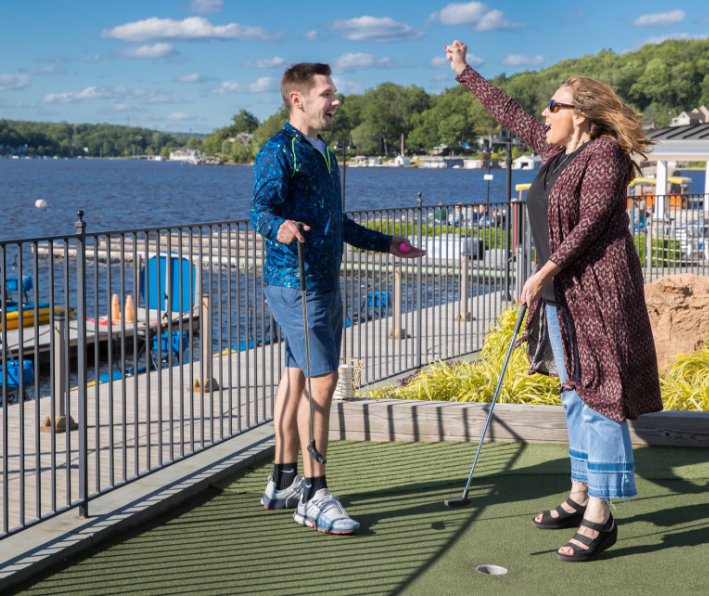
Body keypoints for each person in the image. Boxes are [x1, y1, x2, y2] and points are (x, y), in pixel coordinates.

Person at [446, 41, 663, 561]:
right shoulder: (555, 152)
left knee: (600, 398)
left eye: (554, 105)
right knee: (573, 394)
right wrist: (464, 72)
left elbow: (590, 224)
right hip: (560, 293)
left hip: (598, 292)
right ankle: (580, 492)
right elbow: (511, 113)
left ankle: (602, 514)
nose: (544, 113)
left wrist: (542, 268)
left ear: (581, 114)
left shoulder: (604, 154)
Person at [250, 63, 425, 535]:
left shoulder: (321, 151)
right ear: (298, 100)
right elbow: (260, 209)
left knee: (296, 377)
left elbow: (337, 223)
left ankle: (284, 479)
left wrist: (387, 243)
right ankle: (314, 493)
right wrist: (279, 227)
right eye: (328, 93)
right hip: (296, 283)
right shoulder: (277, 151)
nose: (337, 101)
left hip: (322, 283)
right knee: (322, 382)